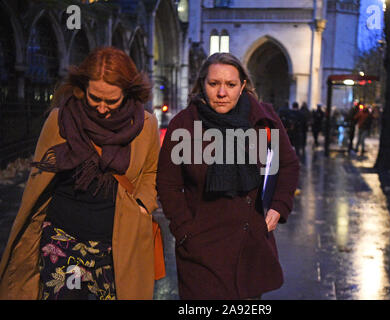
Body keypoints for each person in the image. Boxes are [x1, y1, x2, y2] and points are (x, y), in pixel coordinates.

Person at [0, 47, 161, 300]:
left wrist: (143, 204)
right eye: (94, 98)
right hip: (62, 240)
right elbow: (38, 180)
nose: (101, 108)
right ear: (82, 88)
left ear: (128, 93)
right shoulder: (59, 119)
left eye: (111, 100)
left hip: (117, 245)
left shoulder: (145, 126)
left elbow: (151, 171)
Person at [156, 53, 300, 300]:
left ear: (243, 85)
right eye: (214, 84)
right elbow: (168, 184)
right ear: (202, 84)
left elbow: (287, 165)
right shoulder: (185, 124)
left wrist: (278, 207)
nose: (222, 93)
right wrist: (185, 230)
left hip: (249, 244)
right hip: (201, 248)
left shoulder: (262, 120)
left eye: (230, 85)